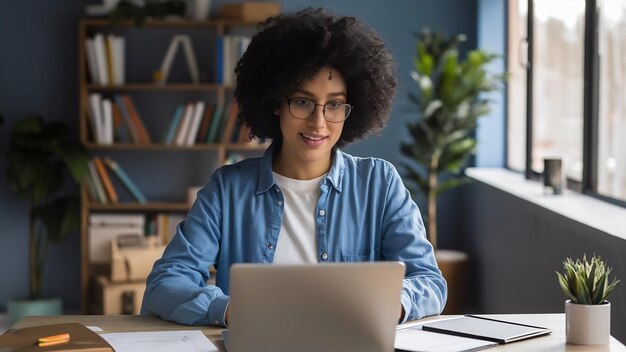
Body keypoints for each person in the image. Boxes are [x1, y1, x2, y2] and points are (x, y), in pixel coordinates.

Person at [141, 7, 447, 327]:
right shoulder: (227, 190)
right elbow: (166, 284)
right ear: (275, 103)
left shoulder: (380, 185)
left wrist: (391, 304)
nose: (318, 123)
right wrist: (231, 311)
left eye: (334, 104)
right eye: (302, 101)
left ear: (351, 108)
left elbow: (429, 280)